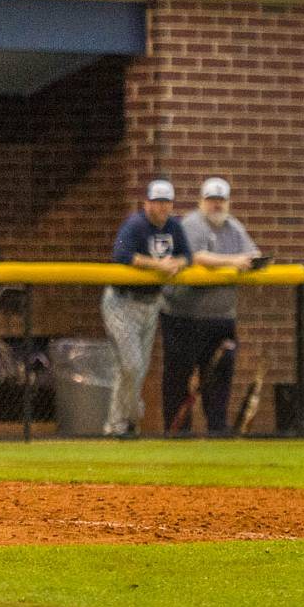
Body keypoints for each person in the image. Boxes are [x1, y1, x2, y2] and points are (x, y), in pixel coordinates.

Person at [162, 177, 262, 436]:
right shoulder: (191, 223)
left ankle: (217, 428)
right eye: (211, 200)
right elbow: (197, 257)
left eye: (221, 200)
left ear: (227, 202)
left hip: (221, 317)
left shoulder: (234, 226)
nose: (216, 205)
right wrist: (234, 261)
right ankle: (177, 431)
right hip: (184, 316)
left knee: (219, 375)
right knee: (179, 375)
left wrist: (253, 261)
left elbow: (252, 254)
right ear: (201, 201)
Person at [104, 178, 192, 439]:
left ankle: (120, 426)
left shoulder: (174, 227)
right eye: (156, 202)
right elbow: (121, 256)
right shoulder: (135, 224)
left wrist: (176, 263)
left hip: (150, 304)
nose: (161, 208)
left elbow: (187, 256)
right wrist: (159, 265)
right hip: (122, 302)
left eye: (166, 202)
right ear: (147, 204)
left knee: (135, 369)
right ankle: (129, 417)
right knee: (131, 365)